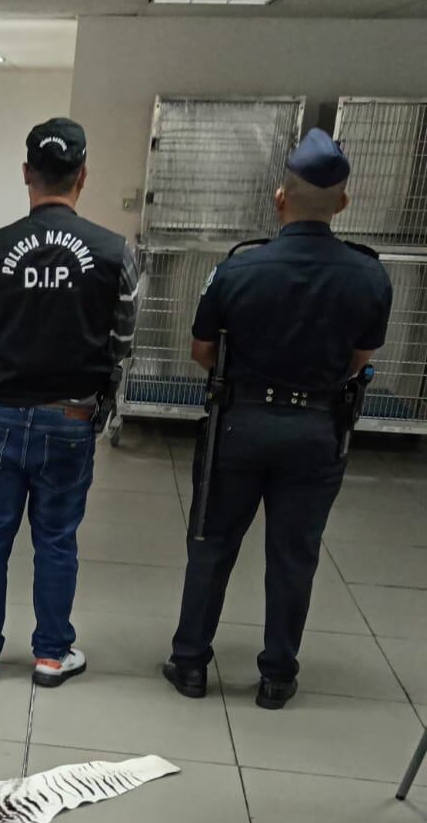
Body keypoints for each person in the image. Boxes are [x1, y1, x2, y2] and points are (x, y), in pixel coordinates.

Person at [164, 128, 393, 710]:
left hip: (239, 425)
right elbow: (359, 360)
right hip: (316, 430)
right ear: (343, 202)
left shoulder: (239, 268)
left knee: (212, 544)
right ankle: (276, 676)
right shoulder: (369, 275)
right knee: (294, 557)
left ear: (279, 197)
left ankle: (190, 664)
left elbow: (202, 350)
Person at [0, 118, 138, 687]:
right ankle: (52, 654)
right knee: (56, 540)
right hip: (71, 418)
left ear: (26, 173)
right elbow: (122, 340)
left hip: (0, 416)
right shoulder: (115, 253)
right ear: (83, 176)